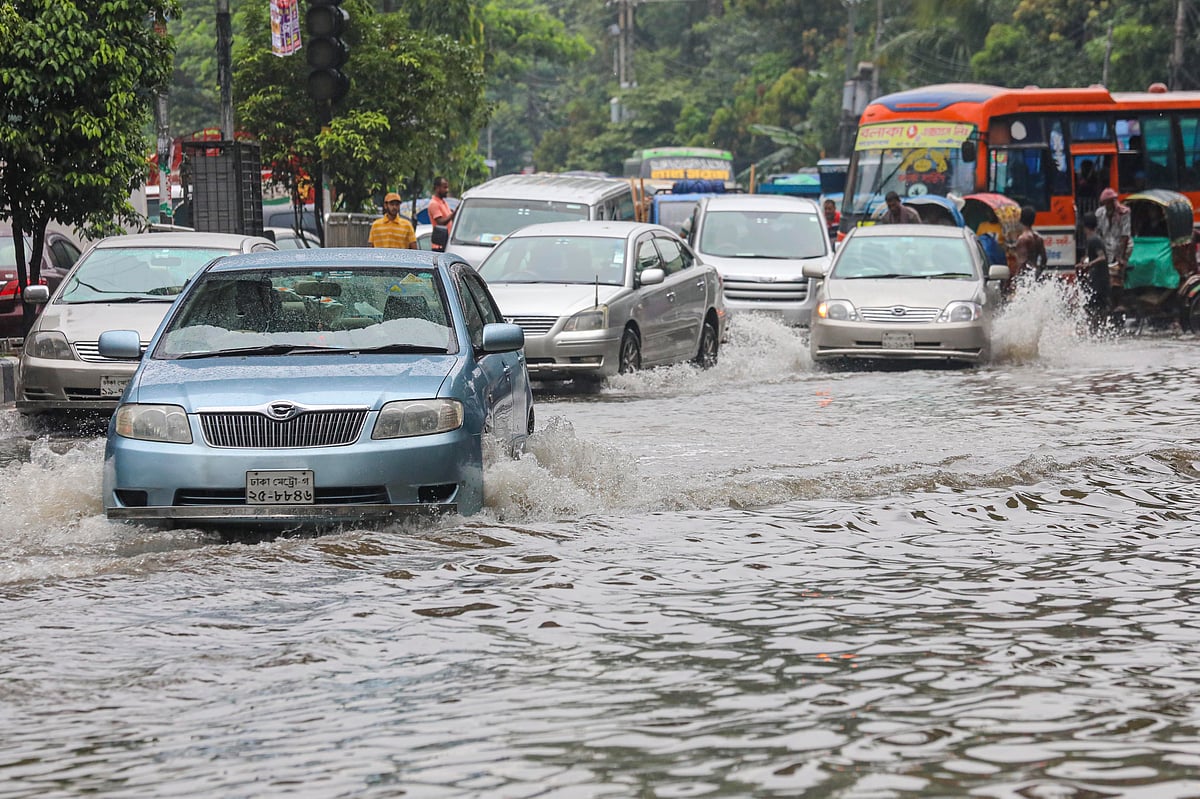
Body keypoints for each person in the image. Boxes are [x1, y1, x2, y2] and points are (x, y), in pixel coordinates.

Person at [1075, 211, 1110, 331]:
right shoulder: (1092, 239)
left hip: (1099, 281)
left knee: (1093, 307)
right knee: (1095, 308)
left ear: (1084, 226)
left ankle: (1096, 330)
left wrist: (1088, 264)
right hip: (1097, 280)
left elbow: (1102, 257)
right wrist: (1082, 264)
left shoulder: (1094, 240)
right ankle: (1097, 330)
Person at [1095, 187, 1131, 288]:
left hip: (1123, 246)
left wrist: (1120, 257)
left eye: (1110, 202)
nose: (1108, 205)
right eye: (1106, 203)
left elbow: (1125, 235)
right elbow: (1098, 233)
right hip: (1106, 246)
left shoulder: (1124, 212)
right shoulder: (1099, 213)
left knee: (1118, 273)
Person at [1012, 205, 1047, 287]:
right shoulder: (1038, 238)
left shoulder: (1023, 239)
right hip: (1034, 275)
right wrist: (1038, 273)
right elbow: (1044, 259)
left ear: (1021, 219)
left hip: (1024, 278)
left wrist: (1015, 280)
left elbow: (1022, 262)